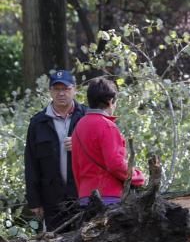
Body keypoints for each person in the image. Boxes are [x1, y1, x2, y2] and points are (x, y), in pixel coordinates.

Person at [25, 70, 86, 230]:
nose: (61, 93)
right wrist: (34, 200)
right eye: (57, 89)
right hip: (52, 199)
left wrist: (81, 145)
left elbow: (102, 151)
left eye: (66, 89)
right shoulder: (38, 123)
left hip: (84, 195)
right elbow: (31, 163)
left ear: (75, 90)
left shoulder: (87, 116)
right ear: (50, 92)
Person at [72, 76, 145, 206]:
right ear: (111, 101)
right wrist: (137, 176)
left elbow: (75, 167)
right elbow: (115, 164)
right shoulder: (107, 126)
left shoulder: (79, 126)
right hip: (109, 196)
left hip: (85, 197)